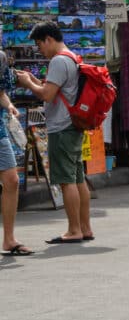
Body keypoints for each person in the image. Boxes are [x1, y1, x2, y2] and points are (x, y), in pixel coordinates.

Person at [16, 22, 91, 243]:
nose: (40, 50)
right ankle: (85, 228)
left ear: (48, 39)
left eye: (40, 45)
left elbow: (47, 95)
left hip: (62, 127)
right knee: (78, 179)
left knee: (67, 181)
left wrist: (27, 84)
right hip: (73, 126)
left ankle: (74, 230)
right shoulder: (72, 57)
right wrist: (34, 81)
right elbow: (57, 91)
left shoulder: (58, 61)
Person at [0, 51, 30, 255]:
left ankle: (9, 239)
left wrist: (9, 105)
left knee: (12, 180)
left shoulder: (1, 58)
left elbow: (0, 92)